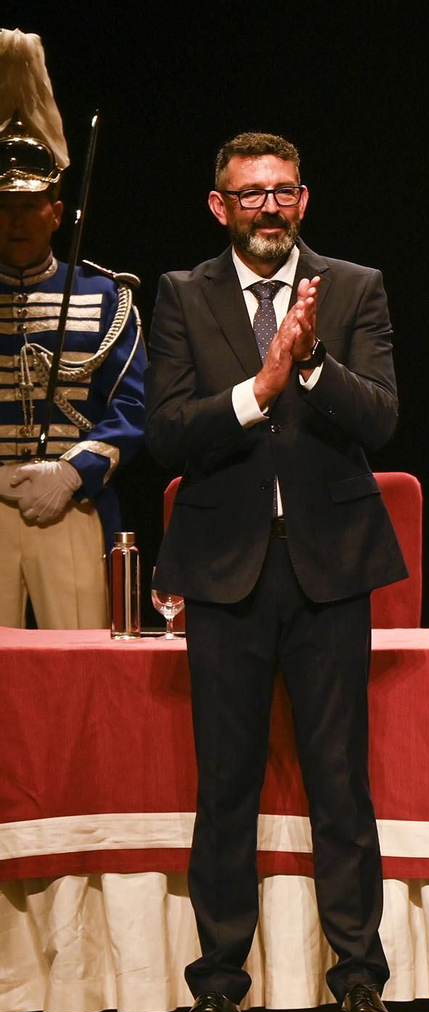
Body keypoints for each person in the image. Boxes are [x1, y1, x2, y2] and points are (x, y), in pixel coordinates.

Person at [145, 132, 406, 1012]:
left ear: (304, 198)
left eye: (283, 191)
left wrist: (311, 365)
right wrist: (257, 388)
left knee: (342, 786)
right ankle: (218, 984)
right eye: (249, 193)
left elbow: (382, 414)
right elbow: (170, 435)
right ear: (220, 206)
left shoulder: (354, 286)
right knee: (226, 789)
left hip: (330, 569)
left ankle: (360, 981)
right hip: (226, 571)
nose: (268, 207)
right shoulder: (181, 295)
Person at [0, 28, 145, 628]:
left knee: (80, 675)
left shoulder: (105, 295)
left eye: (28, 206)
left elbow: (133, 410)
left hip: (71, 503)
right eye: (2, 208)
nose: (14, 220)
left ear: (56, 212)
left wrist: (71, 472)